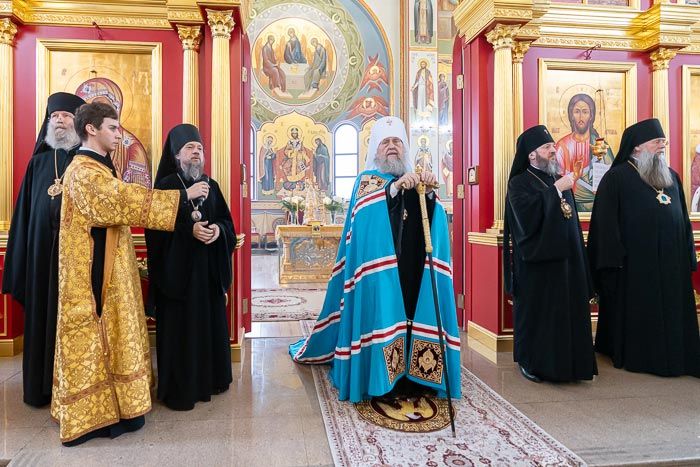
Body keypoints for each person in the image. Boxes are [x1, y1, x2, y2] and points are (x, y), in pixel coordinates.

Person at [51, 102, 208, 445]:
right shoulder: (84, 170)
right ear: (91, 129)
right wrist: (182, 196)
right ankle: (97, 414)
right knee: (100, 333)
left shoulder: (99, 167)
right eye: (112, 127)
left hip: (109, 267)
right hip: (94, 275)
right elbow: (119, 200)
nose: (118, 135)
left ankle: (121, 406)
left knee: (118, 330)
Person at [289, 116, 461, 402]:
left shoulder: (416, 178)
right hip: (380, 272)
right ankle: (384, 378)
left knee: (415, 312)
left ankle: (418, 375)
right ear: (375, 150)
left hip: (413, 269)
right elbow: (364, 217)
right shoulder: (366, 181)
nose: (392, 147)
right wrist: (393, 190)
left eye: (397, 142)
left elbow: (434, 222)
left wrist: (429, 195)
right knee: (384, 314)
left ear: (405, 148)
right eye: (385, 142)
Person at [588, 118, 700, 377]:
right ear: (637, 146)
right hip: (635, 266)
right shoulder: (616, 178)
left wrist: (688, 255)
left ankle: (677, 354)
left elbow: (683, 220)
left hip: (672, 263)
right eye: (657, 141)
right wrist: (613, 263)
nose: (662, 146)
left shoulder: (671, 176)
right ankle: (645, 357)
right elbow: (605, 226)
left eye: (664, 142)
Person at [2, 92, 85, 407]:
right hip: (39, 258)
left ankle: (75, 390)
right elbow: (23, 218)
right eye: (55, 116)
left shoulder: (88, 162)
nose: (60, 120)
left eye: (66, 115)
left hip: (76, 260)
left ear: (78, 122)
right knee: (41, 318)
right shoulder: (37, 164)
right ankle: (40, 389)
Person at [146, 124, 236, 411]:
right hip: (178, 277)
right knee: (180, 331)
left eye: (200, 148)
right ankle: (181, 389)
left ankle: (212, 380)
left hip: (207, 275)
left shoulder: (212, 185)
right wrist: (189, 231)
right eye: (190, 148)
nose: (197, 152)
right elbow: (155, 232)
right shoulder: (165, 187)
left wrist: (218, 232)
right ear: (176, 155)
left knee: (208, 327)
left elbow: (227, 223)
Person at [504, 125, 598, 383]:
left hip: (567, 261)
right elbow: (525, 219)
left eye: (553, 146)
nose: (553, 150)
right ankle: (531, 362)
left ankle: (572, 365)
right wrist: (554, 190)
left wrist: (579, 258)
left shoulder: (558, 178)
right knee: (541, 315)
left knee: (567, 312)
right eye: (547, 147)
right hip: (538, 264)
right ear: (531, 155)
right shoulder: (519, 183)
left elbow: (571, 220)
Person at [554, 93, 614, 212]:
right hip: (568, 204)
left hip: (598, 204)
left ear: (591, 116)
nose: (581, 117)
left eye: (585, 112)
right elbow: (557, 180)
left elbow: (611, 176)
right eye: (577, 112)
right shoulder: (562, 146)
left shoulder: (601, 145)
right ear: (571, 115)